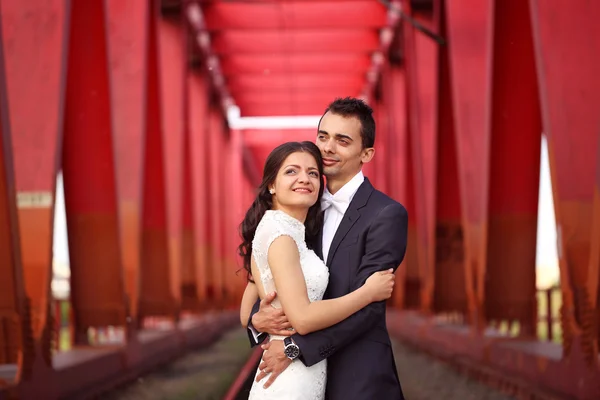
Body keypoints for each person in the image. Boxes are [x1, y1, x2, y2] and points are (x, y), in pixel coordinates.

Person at [246, 97, 408, 399]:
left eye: (342, 141)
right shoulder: (302, 206)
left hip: (357, 377)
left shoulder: (386, 215)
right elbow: (270, 280)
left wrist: (295, 348)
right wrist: (256, 320)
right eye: (323, 137)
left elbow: (370, 308)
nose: (327, 148)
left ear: (367, 153)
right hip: (300, 379)